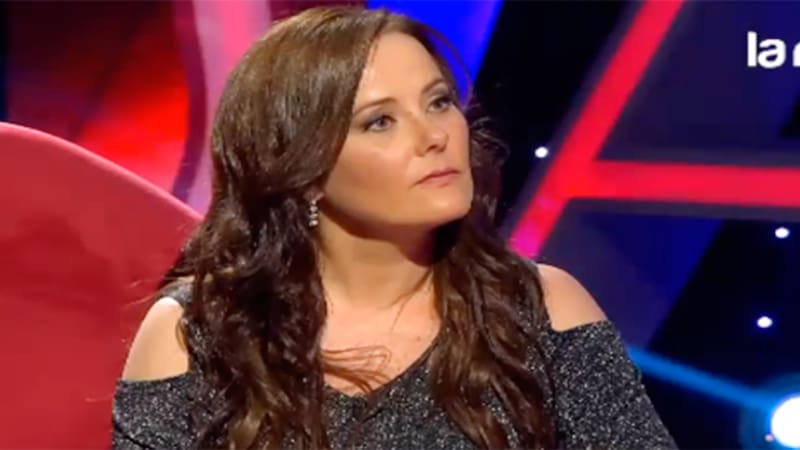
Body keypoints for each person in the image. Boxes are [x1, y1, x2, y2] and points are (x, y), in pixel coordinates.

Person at [112, 6, 677, 449]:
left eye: (439, 102)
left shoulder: (540, 308)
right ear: (303, 172)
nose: (435, 136)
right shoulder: (196, 335)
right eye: (380, 121)